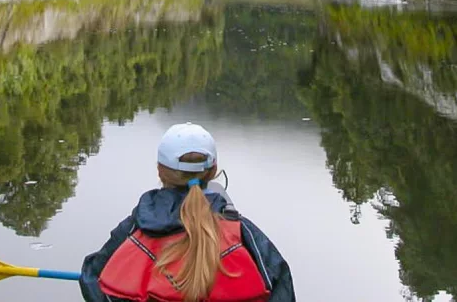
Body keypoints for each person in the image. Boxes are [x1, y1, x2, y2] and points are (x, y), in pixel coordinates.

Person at [79, 123, 295, 302]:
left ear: (160, 170)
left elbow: (92, 278)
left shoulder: (135, 228)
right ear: (213, 170)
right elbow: (281, 285)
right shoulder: (241, 230)